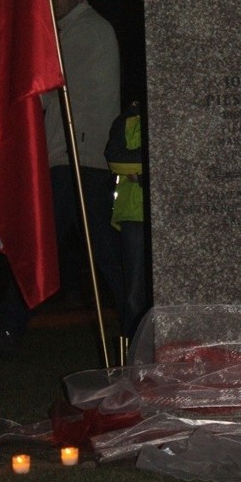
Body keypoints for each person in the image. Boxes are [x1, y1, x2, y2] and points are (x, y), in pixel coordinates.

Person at [0, 0, 124, 358]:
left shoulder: (84, 31)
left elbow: (46, 86)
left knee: (46, 247)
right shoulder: (75, 31)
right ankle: (139, 324)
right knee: (98, 253)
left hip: (76, 159)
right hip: (75, 158)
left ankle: (10, 331)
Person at [105, 100, 148, 344]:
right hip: (133, 215)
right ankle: (134, 350)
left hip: (165, 214)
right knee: (134, 291)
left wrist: (137, 170)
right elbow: (114, 160)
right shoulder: (128, 120)